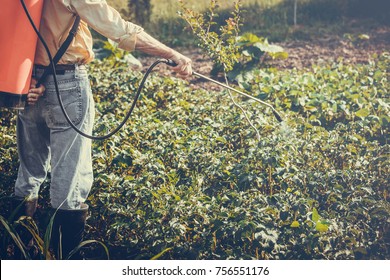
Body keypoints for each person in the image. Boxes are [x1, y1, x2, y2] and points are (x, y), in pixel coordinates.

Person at [13, 0, 192, 260]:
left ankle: (17, 249)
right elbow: (119, 29)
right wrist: (171, 54)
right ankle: (64, 261)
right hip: (66, 86)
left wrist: (22, 79)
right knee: (70, 178)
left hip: (26, 84)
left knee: (28, 173)